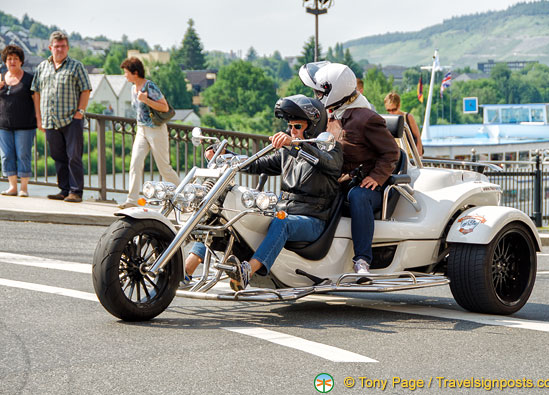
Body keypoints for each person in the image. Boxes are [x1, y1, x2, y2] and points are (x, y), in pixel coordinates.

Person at [183, 95, 343, 291]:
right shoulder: (287, 153)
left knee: (282, 222)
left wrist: (296, 144)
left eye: (297, 127)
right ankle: (184, 272)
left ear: (313, 126)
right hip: (283, 211)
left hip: (313, 219)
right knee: (223, 216)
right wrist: (228, 156)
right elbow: (257, 164)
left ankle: (247, 271)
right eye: (290, 126)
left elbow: (328, 163)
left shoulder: (332, 150)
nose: (292, 131)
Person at [299, 61, 400, 276]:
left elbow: (392, 152)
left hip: (368, 186)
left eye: (319, 91)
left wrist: (377, 176)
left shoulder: (366, 118)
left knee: (358, 196)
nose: (317, 95)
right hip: (340, 178)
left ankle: (362, 260)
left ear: (333, 91)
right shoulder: (330, 114)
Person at [32, 31, 92, 203]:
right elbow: (35, 92)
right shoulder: (42, 67)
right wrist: (39, 118)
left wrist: (80, 112)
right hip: (50, 120)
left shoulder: (76, 66)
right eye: (56, 46)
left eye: (63, 46)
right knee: (58, 156)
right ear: (50, 47)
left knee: (73, 156)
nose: (59, 49)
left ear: (68, 47)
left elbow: (85, 90)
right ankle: (64, 189)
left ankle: (76, 192)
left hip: (71, 119)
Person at [118, 57, 180, 209]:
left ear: (135, 72)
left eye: (126, 72)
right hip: (141, 130)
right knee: (135, 164)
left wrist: (146, 100)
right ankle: (131, 200)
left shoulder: (149, 86)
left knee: (164, 168)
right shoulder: (133, 88)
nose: (125, 75)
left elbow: (165, 107)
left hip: (156, 130)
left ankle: (184, 194)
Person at [0, 45, 37, 197]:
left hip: (25, 125)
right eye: (9, 59)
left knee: (23, 154)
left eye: (15, 59)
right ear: (5, 62)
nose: (12, 61)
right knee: (7, 155)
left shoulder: (29, 78)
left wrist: (39, 120)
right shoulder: (1, 78)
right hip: (3, 124)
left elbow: (36, 100)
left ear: (21, 61)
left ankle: (24, 188)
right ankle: (12, 187)